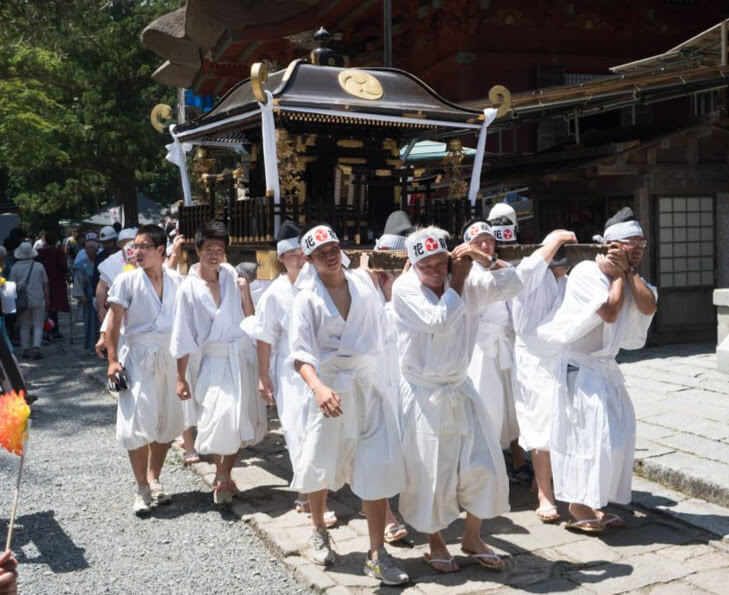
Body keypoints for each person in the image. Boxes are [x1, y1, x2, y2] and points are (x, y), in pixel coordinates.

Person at [392, 226, 523, 574]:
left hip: (460, 387)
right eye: (427, 266)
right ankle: (435, 542)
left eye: (441, 264)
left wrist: (483, 258)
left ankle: (473, 536)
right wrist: (461, 281)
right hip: (424, 392)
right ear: (413, 264)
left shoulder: (465, 276)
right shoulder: (404, 288)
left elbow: (514, 285)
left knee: (486, 463)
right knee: (431, 472)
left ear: (450, 260)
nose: (436, 273)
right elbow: (439, 321)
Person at [289, 224, 408, 585]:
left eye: (334, 246)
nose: (330, 253)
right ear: (309, 259)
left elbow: (382, 330)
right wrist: (318, 388)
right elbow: (300, 355)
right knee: (320, 461)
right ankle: (318, 530)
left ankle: (376, 553)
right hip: (331, 390)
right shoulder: (306, 299)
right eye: (321, 250)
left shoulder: (363, 285)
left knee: (376, 464)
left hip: (368, 386)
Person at [537, 207, 657, 532]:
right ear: (613, 246)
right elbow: (610, 312)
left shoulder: (631, 276)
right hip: (580, 370)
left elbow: (649, 305)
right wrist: (619, 275)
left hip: (605, 369)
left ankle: (596, 502)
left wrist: (627, 273)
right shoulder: (586, 272)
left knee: (617, 438)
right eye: (632, 245)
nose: (638, 251)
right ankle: (578, 504)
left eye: (641, 245)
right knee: (586, 440)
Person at [171, 221, 268, 505]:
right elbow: (182, 334)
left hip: (240, 356)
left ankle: (223, 476)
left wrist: (244, 290)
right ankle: (223, 475)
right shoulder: (188, 288)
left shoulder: (229, 275)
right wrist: (180, 377)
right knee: (218, 417)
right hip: (211, 359)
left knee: (242, 420)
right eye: (209, 248)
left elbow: (249, 317)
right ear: (198, 250)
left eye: (220, 249)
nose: (215, 254)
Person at [105, 224, 185, 515]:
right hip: (137, 356)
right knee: (136, 424)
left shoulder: (178, 281)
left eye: (143, 247)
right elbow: (113, 323)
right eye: (135, 247)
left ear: (160, 250)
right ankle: (140, 487)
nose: (136, 252)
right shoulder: (127, 282)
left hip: (169, 356)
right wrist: (113, 360)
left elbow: (187, 322)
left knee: (165, 422)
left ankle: (155, 478)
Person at [9, 242, 49, 360]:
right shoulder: (39, 266)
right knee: (38, 325)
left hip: (22, 301)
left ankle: (25, 350)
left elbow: (11, 285)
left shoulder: (15, 267)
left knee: (24, 326)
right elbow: (45, 284)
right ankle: (36, 349)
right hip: (38, 299)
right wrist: (48, 300)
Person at [36, 231, 69, 340]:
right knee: (53, 307)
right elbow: (64, 266)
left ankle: (47, 330)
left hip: (42, 281)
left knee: (46, 307)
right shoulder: (58, 252)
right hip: (56, 281)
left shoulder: (39, 253)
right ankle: (53, 330)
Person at [72, 233, 100, 351]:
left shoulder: (101, 260)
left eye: (91, 248)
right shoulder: (81, 264)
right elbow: (77, 281)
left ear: (96, 249)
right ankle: (91, 344)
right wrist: (81, 296)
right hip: (88, 294)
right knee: (89, 320)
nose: (88, 251)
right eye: (87, 248)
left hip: (100, 291)